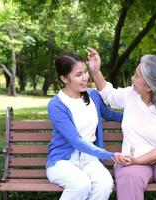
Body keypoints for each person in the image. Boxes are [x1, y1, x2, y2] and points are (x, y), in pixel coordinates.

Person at [88, 48, 156, 200]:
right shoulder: (130, 95)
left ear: (150, 86)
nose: (132, 78)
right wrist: (95, 71)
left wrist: (138, 160)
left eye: (137, 76)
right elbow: (109, 95)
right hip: (132, 162)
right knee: (129, 178)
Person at [46, 52, 126, 200]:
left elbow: (110, 115)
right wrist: (111, 155)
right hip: (63, 161)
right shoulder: (56, 105)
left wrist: (141, 116)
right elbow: (76, 141)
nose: (85, 78)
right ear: (64, 78)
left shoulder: (93, 95)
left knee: (105, 184)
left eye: (85, 72)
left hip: (90, 158)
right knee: (81, 184)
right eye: (78, 74)